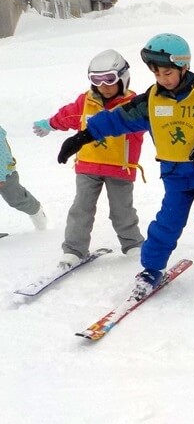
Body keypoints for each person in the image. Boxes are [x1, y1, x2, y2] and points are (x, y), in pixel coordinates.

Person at [57, 33, 194, 301]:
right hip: (176, 174)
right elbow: (116, 120)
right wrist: (82, 137)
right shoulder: (151, 101)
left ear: (184, 66)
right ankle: (151, 270)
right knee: (167, 223)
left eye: (168, 72)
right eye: (157, 73)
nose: (163, 78)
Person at [33, 49, 145, 268]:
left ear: (122, 77)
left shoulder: (133, 105)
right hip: (88, 165)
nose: (103, 86)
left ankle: (133, 244)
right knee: (81, 209)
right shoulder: (86, 101)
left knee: (122, 210)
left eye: (109, 80)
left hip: (120, 167)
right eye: (97, 80)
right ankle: (74, 250)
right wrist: (51, 124)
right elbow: (68, 115)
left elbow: (154, 125)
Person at [1, 125, 47, 230]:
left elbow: (1, 155)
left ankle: (37, 213)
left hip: (5, 173)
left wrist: (0, 177)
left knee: (16, 199)